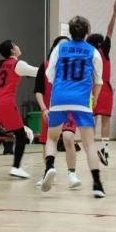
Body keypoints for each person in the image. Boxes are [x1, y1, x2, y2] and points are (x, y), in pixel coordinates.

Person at [41, 16, 106, 198]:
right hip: (82, 100)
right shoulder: (93, 52)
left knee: (52, 138)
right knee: (89, 144)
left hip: (59, 97)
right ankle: (97, 184)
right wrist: (94, 100)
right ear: (87, 32)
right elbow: (98, 81)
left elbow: (49, 74)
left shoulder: (59, 48)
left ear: (69, 31)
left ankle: (49, 167)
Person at [0, 40, 39, 180]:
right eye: (16, 45)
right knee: (21, 136)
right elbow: (36, 71)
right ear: (12, 50)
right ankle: (16, 168)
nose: (18, 46)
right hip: (5, 103)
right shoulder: (18, 64)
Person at [34, 36, 81, 189]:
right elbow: (38, 91)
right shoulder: (45, 66)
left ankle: (72, 174)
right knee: (47, 142)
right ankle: (48, 172)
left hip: (70, 109)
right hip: (50, 110)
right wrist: (43, 108)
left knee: (68, 138)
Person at [86, 0, 116, 166]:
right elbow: (110, 30)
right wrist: (114, 13)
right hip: (105, 88)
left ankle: (91, 147)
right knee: (105, 120)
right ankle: (105, 150)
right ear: (101, 43)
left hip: (91, 89)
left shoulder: (87, 53)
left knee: (91, 120)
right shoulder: (103, 50)